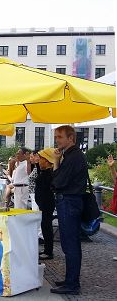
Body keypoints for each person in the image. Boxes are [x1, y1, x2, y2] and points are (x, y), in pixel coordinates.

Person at [50, 125, 87, 295]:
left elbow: (57, 182)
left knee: (70, 245)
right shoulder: (71, 155)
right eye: (56, 137)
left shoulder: (73, 157)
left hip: (69, 202)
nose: (57, 140)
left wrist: (56, 163)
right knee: (69, 244)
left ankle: (72, 284)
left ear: (71, 138)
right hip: (69, 202)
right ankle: (70, 280)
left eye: (60, 137)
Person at [36, 148, 56, 260]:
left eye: (41, 159)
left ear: (47, 161)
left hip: (46, 203)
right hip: (43, 203)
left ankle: (49, 251)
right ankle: (47, 249)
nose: (39, 161)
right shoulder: (44, 172)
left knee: (46, 226)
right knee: (45, 225)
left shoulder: (49, 174)